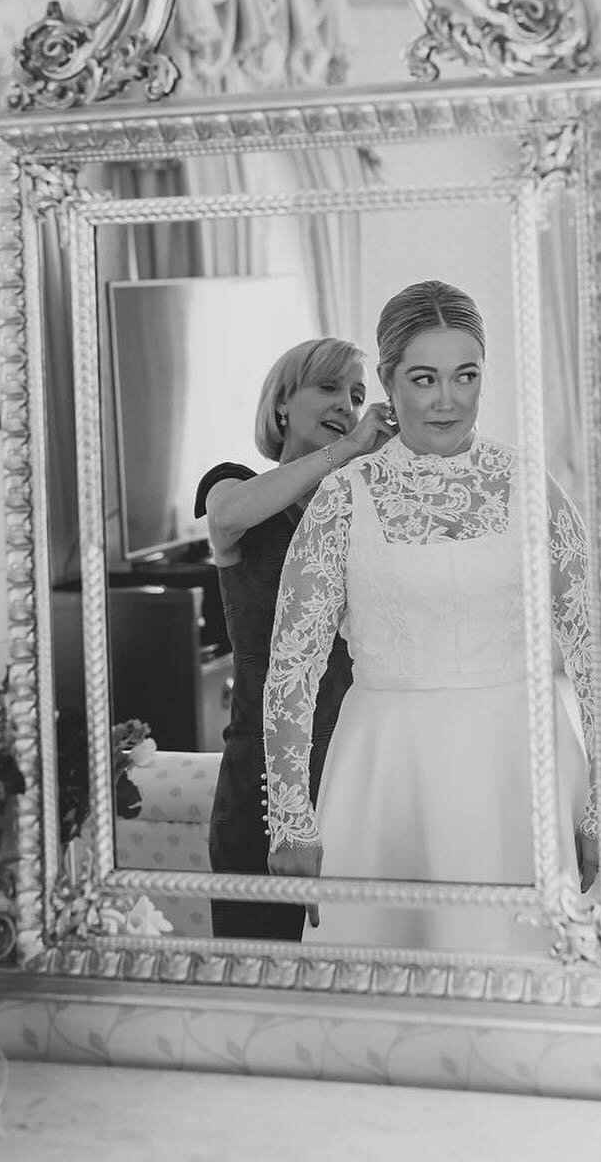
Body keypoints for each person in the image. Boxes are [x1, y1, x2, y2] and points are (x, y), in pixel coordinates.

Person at [262, 280, 597, 953]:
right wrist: (291, 822)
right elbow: (292, 670)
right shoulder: (341, 501)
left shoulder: (536, 490)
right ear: (387, 381)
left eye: (465, 375)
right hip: (387, 770)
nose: (447, 398)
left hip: (521, 766)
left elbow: (592, 654)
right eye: (424, 378)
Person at [194, 336, 393, 941]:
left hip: (355, 765)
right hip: (260, 776)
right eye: (330, 388)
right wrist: (350, 451)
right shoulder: (234, 489)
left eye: (358, 397)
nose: (347, 406)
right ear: (282, 404)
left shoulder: (362, 510)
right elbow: (222, 521)